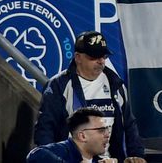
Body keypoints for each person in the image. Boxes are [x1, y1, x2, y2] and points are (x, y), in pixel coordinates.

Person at [33, 32, 143, 160]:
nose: (101, 61)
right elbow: (45, 128)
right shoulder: (59, 85)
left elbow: (129, 124)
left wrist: (136, 155)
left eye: (103, 56)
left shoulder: (115, 84)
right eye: (94, 56)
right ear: (78, 57)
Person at [27, 106, 115, 163]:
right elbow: (35, 154)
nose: (107, 135)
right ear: (82, 136)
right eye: (101, 130)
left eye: (107, 129)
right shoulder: (60, 151)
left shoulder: (99, 160)